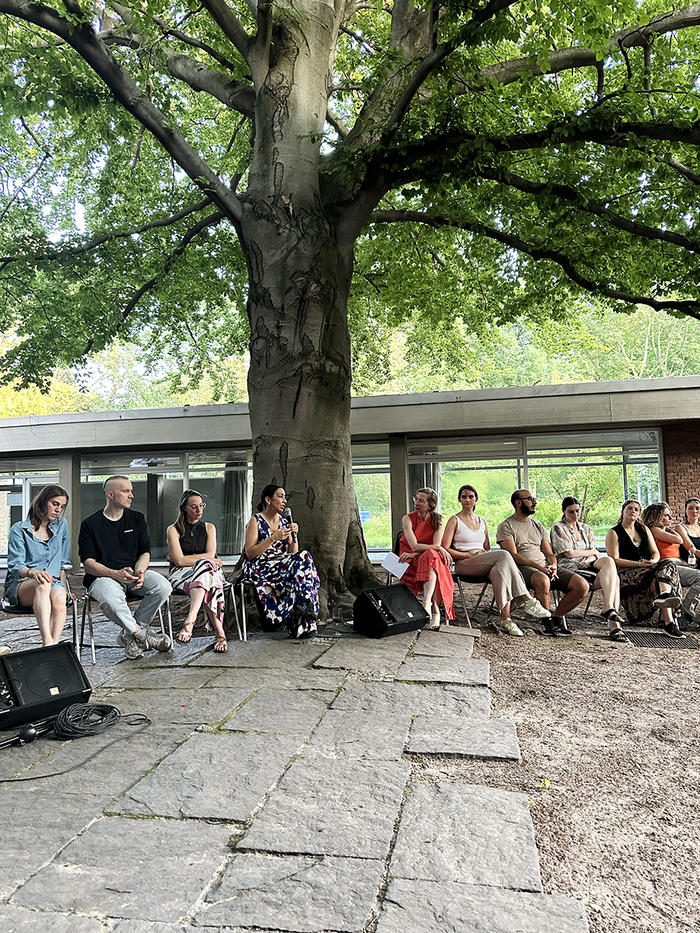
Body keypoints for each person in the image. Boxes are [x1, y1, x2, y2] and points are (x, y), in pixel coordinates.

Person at [78, 475, 172, 659]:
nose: (132, 495)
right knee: (111, 601)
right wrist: (115, 574)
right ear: (111, 494)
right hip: (102, 577)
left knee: (163, 586)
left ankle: (128, 635)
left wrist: (140, 572)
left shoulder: (137, 519)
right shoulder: (90, 524)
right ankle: (141, 635)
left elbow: (145, 552)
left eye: (131, 491)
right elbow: (88, 564)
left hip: (132, 573)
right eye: (126, 491)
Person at [441, 484, 550, 637]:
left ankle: (506, 620)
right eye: (464, 497)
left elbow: (485, 548)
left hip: (481, 561)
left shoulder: (482, 521)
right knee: (505, 554)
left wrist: (482, 556)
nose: (467, 499)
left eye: (471, 496)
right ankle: (526, 599)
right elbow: (444, 548)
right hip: (463, 563)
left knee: (500, 571)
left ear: (476, 499)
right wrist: (469, 555)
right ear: (459, 499)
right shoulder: (454, 520)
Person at [497, 490, 590, 637]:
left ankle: (556, 619)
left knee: (582, 586)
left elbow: (549, 554)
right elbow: (513, 556)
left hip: (545, 567)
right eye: (530, 499)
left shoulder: (538, 526)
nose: (534, 502)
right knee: (543, 580)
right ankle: (546, 623)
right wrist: (540, 567)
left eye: (534, 498)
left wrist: (553, 565)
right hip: (521, 569)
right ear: (518, 502)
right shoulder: (506, 526)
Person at [242, 484, 319, 639]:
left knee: (304, 557)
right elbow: (250, 553)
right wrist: (273, 538)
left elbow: (294, 554)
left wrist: (294, 536)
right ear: (268, 500)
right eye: (280, 496)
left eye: (285, 497)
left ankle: (303, 608)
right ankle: (305, 613)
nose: (284, 501)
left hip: (281, 565)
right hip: (260, 566)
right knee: (304, 562)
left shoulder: (284, 522)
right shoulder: (255, 521)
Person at [550, 496, 626, 641]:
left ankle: (609, 608)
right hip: (569, 568)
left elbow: (595, 554)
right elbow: (569, 553)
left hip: (587, 565)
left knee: (609, 562)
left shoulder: (586, 529)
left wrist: (589, 558)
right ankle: (614, 626)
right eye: (571, 512)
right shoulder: (558, 527)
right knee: (614, 579)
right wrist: (591, 554)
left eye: (577, 511)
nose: (575, 515)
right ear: (564, 511)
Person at [4, 485, 72, 646]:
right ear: (42, 502)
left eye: (62, 506)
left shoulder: (61, 525)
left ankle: (52, 647)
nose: (58, 510)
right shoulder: (19, 530)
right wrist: (33, 573)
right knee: (44, 584)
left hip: (53, 581)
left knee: (59, 597)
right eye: (55, 504)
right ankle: (47, 642)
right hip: (22, 584)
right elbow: (16, 566)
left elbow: (63, 562)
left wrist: (66, 587)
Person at [605, 500, 683, 637]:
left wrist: (652, 561)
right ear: (623, 511)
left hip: (648, 568)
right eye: (629, 508)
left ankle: (666, 601)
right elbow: (614, 560)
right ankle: (669, 622)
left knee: (668, 565)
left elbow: (655, 552)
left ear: (639, 513)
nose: (633, 511)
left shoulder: (644, 530)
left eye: (636, 509)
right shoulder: (614, 532)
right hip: (626, 572)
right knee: (662, 573)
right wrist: (639, 564)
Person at [167, 490, 228, 652]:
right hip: (181, 575)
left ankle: (190, 620)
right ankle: (220, 634)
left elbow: (205, 556)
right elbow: (179, 561)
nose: (199, 510)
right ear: (184, 508)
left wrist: (197, 559)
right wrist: (207, 559)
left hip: (207, 573)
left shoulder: (209, 528)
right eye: (194, 507)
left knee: (205, 569)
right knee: (207, 571)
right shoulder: (173, 530)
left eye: (201, 506)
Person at [398, 487, 454, 630]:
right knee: (433, 557)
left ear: (430, 505)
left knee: (431, 557)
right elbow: (414, 545)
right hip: (406, 559)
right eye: (416, 499)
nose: (416, 503)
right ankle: (433, 609)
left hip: (424, 558)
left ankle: (428, 603)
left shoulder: (438, 519)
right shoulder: (407, 519)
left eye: (421, 500)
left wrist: (436, 548)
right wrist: (438, 548)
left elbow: (433, 546)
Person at [642, 501, 700, 627]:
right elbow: (679, 539)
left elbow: (675, 552)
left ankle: (685, 612)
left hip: (677, 563)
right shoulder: (654, 530)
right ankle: (686, 613)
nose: (670, 518)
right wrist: (669, 528)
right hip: (665, 566)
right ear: (657, 517)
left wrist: (686, 563)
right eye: (666, 515)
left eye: (670, 515)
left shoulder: (666, 530)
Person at [678, 497, 700, 564]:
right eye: (690, 508)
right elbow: (692, 550)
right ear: (685, 510)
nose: (694, 511)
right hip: (692, 561)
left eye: (697, 508)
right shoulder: (680, 527)